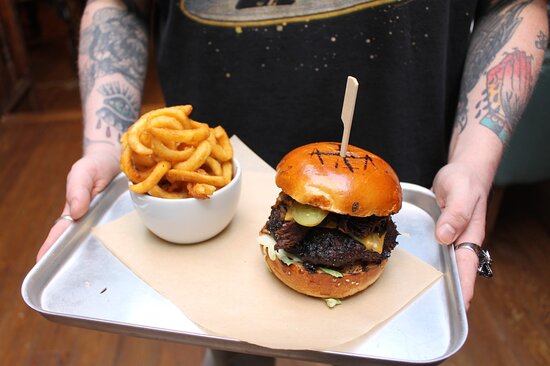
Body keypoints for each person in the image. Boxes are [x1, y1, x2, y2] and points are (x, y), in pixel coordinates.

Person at [37, 0, 548, 364]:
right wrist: (106, 144)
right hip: (215, 195)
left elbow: (515, 4)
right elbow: (119, 6)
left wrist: (473, 160)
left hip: (410, 173)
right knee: (230, 340)